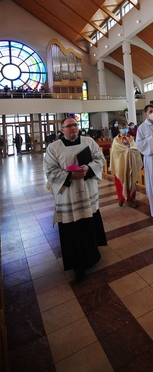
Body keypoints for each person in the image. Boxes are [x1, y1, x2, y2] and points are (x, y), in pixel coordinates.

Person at [45, 117, 107, 282]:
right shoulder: (54, 147)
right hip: (68, 196)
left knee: (88, 224)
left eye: (75, 125)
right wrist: (70, 174)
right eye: (69, 126)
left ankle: (92, 256)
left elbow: (100, 159)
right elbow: (50, 171)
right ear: (62, 129)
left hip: (87, 191)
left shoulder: (89, 141)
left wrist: (89, 167)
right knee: (73, 229)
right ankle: (76, 265)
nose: (73, 128)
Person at [109, 121, 142, 208]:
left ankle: (130, 199)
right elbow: (115, 152)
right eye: (122, 128)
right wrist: (126, 150)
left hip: (131, 162)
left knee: (131, 180)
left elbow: (135, 149)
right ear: (119, 129)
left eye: (126, 127)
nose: (124, 129)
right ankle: (121, 198)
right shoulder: (116, 140)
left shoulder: (131, 138)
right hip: (120, 164)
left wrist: (129, 150)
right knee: (120, 181)